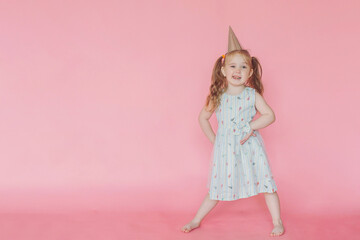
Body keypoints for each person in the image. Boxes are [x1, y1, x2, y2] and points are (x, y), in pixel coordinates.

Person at [181, 26, 285, 237]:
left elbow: (270, 116)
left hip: (250, 147)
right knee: (217, 188)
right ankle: (196, 219)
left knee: (266, 183)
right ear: (223, 70)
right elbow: (203, 118)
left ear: (250, 72)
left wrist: (250, 126)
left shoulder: (251, 94)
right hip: (226, 150)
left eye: (243, 66)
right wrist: (215, 139)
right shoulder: (218, 95)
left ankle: (277, 221)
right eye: (233, 66)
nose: (237, 71)